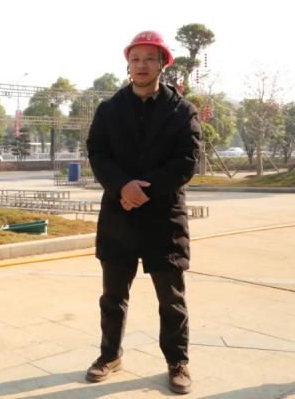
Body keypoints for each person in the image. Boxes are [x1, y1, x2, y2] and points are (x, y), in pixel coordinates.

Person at [85, 31, 202, 394]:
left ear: (162, 64)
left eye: (150, 58)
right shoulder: (109, 110)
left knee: (171, 298)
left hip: (164, 217)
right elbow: (97, 153)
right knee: (113, 295)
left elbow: (187, 161)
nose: (141, 65)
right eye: (135, 59)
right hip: (119, 215)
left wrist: (143, 190)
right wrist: (123, 187)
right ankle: (109, 355)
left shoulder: (182, 111)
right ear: (128, 64)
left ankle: (177, 361)